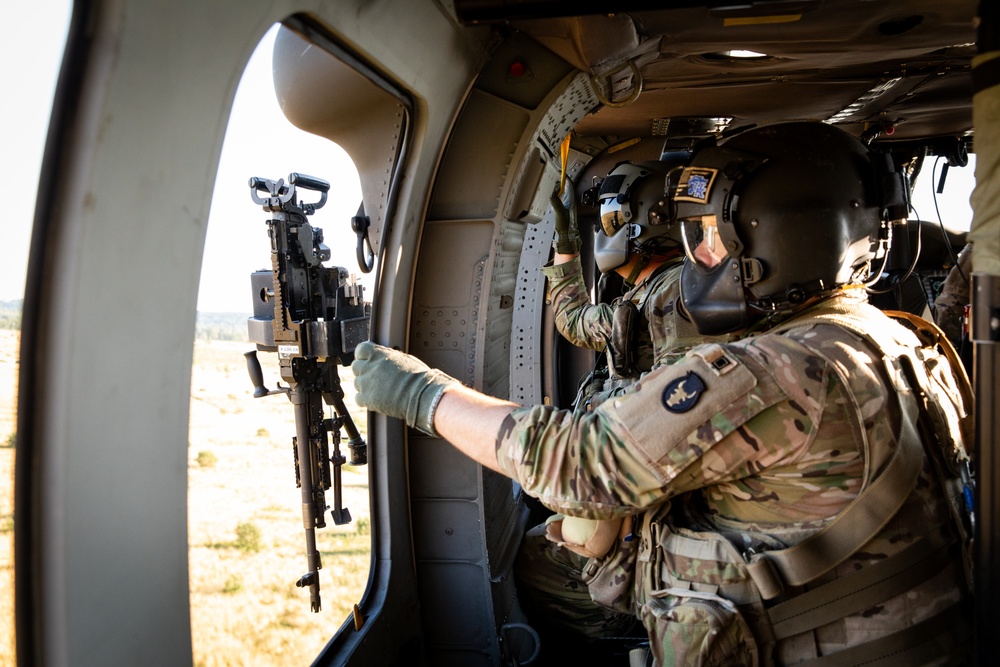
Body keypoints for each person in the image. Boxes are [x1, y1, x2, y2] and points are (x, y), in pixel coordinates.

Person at [352, 122, 973, 665]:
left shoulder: (780, 369)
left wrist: (418, 392)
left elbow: (578, 464)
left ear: (785, 236)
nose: (699, 256)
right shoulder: (899, 339)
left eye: (712, 234)